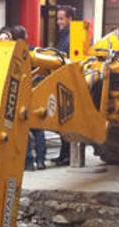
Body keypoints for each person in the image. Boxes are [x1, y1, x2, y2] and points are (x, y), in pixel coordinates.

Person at [14, 25, 46, 171]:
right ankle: (40, 160)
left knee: (23, 129)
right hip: (35, 91)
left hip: (22, 94)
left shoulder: (15, 53)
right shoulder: (34, 52)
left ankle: (28, 161)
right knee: (37, 129)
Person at [50, 5, 75, 167]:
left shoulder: (70, 38)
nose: (58, 22)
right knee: (63, 121)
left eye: (61, 18)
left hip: (68, 83)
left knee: (66, 120)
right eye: (57, 18)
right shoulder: (64, 36)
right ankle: (64, 154)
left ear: (69, 19)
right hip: (63, 81)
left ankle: (67, 155)